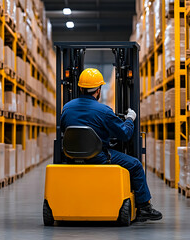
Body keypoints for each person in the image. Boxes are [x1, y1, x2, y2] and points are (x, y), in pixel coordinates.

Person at [61, 68, 162, 222]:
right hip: (97, 157)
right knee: (135, 165)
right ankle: (144, 207)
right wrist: (129, 119)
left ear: (80, 87)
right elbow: (125, 134)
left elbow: (64, 130)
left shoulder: (66, 108)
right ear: (99, 90)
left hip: (71, 155)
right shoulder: (103, 111)